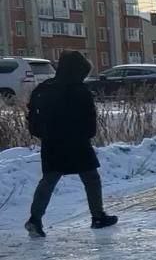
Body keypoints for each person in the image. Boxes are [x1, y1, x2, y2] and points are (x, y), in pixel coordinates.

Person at [25, 50, 117, 238]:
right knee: (91, 179)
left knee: (49, 180)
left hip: (51, 143)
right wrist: (87, 135)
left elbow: (33, 114)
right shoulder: (80, 91)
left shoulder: (44, 88)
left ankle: (35, 219)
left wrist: (42, 134)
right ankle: (98, 216)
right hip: (77, 143)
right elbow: (90, 121)